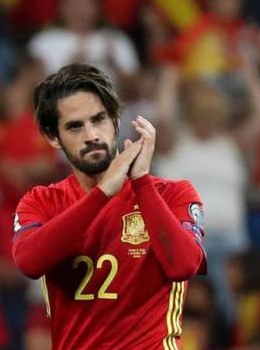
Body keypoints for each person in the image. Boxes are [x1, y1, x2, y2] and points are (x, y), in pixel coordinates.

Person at [12, 63, 206, 349]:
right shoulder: (41, 202)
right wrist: (102, 194)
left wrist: (141, 183)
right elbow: (29, 262)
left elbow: (184, 266)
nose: (91, 135)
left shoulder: (173, 195)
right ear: (54, 138)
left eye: (99, 119)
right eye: (75, 126)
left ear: (116, 120)